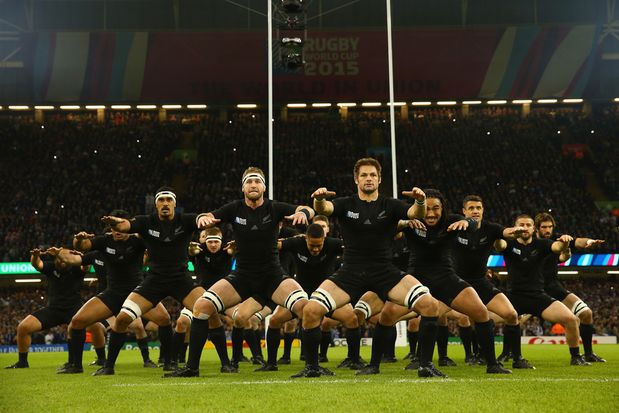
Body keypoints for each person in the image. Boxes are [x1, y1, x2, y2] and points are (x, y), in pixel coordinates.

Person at [293, 158, 441, 378]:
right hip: (351, 271)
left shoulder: (390, 205)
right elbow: (325, 208)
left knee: (430, 305)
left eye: (373, 175)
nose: (368, 178)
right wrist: (320, 199)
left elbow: (414, 214)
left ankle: (425, 366)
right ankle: (312, 367)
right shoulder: (346, 204)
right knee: (311, 311)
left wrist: (420, 202)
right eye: (364, 175)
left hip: (384, 271)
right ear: (356, 179)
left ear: (379, 179)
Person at [166, 167, 314, 377]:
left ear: (264, 186)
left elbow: (307, 209)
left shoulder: (275, 208)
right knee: (202, 306)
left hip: (272, 275)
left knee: (306, 307)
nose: (253, 185)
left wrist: (302, 212)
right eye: (249, 182)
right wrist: (203, 219)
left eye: (257, 181)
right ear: (243, 187)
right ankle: (191, 368)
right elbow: (210, 215)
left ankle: (313, 367)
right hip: (242, 276)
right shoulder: (234, 208)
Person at [373, 189, 511, 375]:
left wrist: (466, 221)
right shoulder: (412, 221)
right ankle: (373, 365)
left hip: (446, 277)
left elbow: (472, 224)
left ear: (443, 208)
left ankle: (492, 364)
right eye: (427, 208)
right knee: (387, 315)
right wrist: (403, 223)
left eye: (436, 208)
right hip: (416, 278)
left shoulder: (451, 220)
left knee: (480, 312)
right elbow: (388, 227)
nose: (431, 213)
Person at [93, 187, 206, 375]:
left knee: (207, 311)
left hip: (181, 278)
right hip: (154, 280)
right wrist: (116, 224)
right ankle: (108, 367)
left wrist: (205, 218)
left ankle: (219, 363)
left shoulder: (185, 220)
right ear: (156, 204)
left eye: (169, 200)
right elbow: (126, 226)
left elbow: (201, 220)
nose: (165, 203)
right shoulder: (146, 222)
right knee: (121, 319)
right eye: (161, 200)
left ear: (175, 204)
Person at [50, 210, 171, 373]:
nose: (117, 231)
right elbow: (78, 254)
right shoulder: (104, 241)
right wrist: (77, 240)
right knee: (77, 322)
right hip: (113, 293)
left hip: (138, 293)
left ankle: (168, 361)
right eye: (113, 227)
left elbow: (158, 245)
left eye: (119, 226)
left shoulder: (138, 241)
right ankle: (76, 366)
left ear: (126, 226)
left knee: (164, 319)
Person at [495, 214, 591, 366]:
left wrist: (564, 243)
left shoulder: (542, 244)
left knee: (571, 319)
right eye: (521, 225)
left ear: (534, 229)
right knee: (482, 317)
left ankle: (576, 357)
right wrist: (500, 235)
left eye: (528, 225)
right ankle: (488, 355)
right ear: (514, 227)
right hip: (513, 297)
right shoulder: (509, 243)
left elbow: (556, 247)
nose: (525, 228)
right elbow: (499, 245)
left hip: (537, 296)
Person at [452, 194, 535, 369]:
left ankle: (517, 358)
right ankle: (422, 359)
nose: (475, 211)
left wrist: (514, 231)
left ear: (483, 210)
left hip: (481, 282)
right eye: (471, 208)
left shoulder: (490, 228)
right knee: (430, 313)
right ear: (464, 211)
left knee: (511, 315)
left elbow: (504, 232)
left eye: (479, 208)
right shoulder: (456, 226)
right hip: (456, 282)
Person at [535, 212, 606, 363]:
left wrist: (589, 241)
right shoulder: (530, 242)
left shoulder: (559, 239)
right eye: (544, 227)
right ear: (536, 228)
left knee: (586, 313)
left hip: (553, 287)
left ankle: (588, 354)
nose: (548, 230)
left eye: (550, 227)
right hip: (531, 289)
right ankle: (508, 352)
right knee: (511, 317)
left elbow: (578, 241)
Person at [5, 247, 86, 369]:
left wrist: (80, 256)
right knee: (23, 327)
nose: (61, 261)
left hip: (74, 309)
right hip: (53, 310)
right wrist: (36, 256)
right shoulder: (51, 267)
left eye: (64, 258)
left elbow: (86, 266)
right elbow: (37, 264)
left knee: (73, 329)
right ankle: (22, 362)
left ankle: (72, 363)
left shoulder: (77, 268)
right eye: (59, 258)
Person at [173, 227, 236, 372]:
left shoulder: (228, 250)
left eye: (216, 241)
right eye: (210, 241)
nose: (213, 245)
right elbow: (188, 253)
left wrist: (234, 252)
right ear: (205, 240)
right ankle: (174, 360)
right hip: (200, 296)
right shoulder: (198, 251)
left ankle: (236, 359)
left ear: (221, 240)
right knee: (182, 322)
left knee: (239, 318)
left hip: (224, 297)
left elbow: (233, 251)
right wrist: (189, 253)